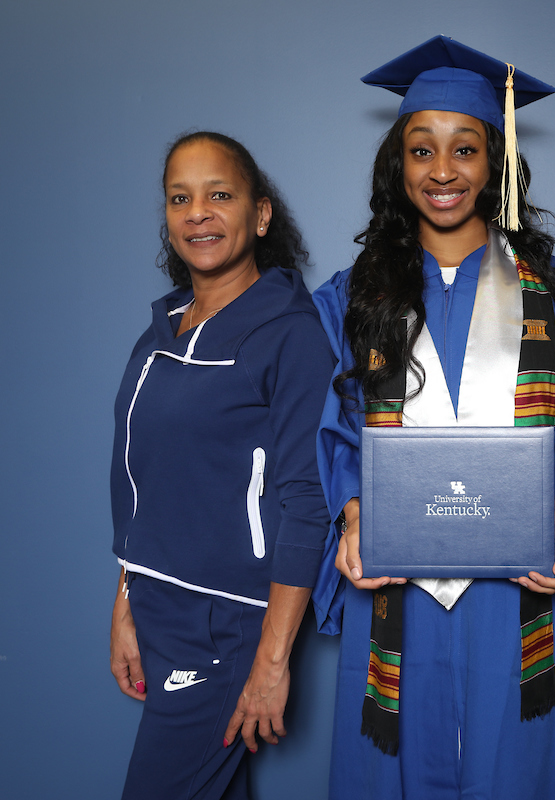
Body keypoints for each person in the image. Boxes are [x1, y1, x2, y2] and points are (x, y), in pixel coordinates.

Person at [311, 36, 555, 799]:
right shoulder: (350, 298)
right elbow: (330, 426)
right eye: (421, 150)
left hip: (513, 578)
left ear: (495, 164)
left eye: (465, 149)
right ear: (398, 164)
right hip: (393, 575)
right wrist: (351, 513)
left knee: (512, 755)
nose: (442, 171)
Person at [108, 131, 334, 799]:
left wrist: (272, 658)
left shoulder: (291, 335)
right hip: (157, 607)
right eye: (181, 198)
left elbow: (307, 499)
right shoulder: (164, 328)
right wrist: (126, 600)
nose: (198, 212)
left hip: (229, 620)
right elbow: (148, 480)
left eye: (219, 195)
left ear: (260, 215)